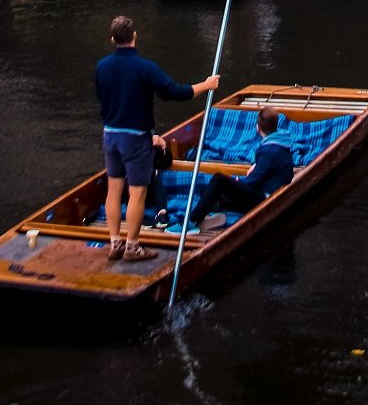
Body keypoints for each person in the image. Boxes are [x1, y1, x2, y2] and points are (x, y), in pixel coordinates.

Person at [96, 15, 220, 262]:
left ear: (112, 39)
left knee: (113, 190)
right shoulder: (145, 67)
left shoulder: (101, 67)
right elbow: (175, 92)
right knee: (137, 193)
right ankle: (132, 247)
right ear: (134, 36)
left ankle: (114, 243)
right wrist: (207, 85)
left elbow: (103, 98)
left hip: (110, 135)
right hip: (136, 139)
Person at [175, 107, 293, 233]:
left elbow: (251, 182)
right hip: (270, 189)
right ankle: (215, 215)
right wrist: (254, 167)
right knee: (218, 188)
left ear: (257, 127)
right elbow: (268, 167)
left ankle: (191, 221)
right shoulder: (281, 141)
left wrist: (235, 180)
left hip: (266, 199)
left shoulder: (269, 151)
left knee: (219, 180)